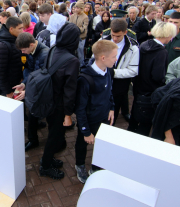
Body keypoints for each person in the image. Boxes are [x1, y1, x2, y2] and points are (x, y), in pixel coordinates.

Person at [39, 22, 80, 180]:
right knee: (54, 136)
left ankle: (48, 159)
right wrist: (68, 114)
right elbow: (70, 91)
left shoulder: (54, 48)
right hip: (59, 105)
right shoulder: (72, 60)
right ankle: (45, 165)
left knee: (53, 132)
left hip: (49, 98)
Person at [75, 40, 117, 183]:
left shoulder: (109, 70)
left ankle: (96, 166)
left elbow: (109, 90)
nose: (116, 60)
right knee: (82, 143)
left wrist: (111, 107)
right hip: (89, 119)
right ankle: (79, 165)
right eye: (114, 56)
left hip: (104, 116)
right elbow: (80, 108)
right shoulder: (85, 79)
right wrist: (86, 131)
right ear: (103, 58)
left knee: (101, 143)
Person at [128, 22, 177, 136]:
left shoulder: (145, 44)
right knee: (145, 124)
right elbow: (158, 76)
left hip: (139, 88)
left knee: (135, 117)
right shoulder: (161, 52)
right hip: (150, 91)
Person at [13, 32, 49, 151]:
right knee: (34, 113)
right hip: (35, 86)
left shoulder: (44, 54)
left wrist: (27, 91)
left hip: (42, 89)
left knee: (33, 112)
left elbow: (40, 78)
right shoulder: (31, 50)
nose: (22, 53)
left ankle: (33, 140)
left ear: (32, 45)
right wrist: (24, 84)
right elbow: (30, 69)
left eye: (23, 50)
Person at [100, 18, 139, 123]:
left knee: (113, 114)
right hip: (102, 83)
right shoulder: (103, 41)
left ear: (125, 32)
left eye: (118, 36)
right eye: (113, 35)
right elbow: (94, 59)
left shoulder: (133, 47)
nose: (115, 39)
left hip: (120, 85)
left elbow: (134, 70)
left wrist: (114, 73)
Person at [0, 17, 24, 98]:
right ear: (11, 29)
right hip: (9, 88)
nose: (22, 31)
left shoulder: (14, 39)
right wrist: (8, 91)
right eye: (20, 28)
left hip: (17, 83)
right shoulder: (3, 46)